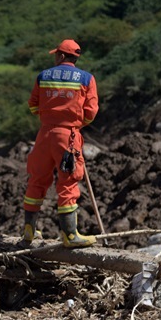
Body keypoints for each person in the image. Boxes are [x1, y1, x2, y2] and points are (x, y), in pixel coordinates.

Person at [22, 39, 99, 248]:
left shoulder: (43, 76)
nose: (55, 57)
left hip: (44, 134)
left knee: (37, 179)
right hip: (68, 137)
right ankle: (70, 235)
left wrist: (49, 118)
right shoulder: (86, 78)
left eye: (56, 54)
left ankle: (29, 230)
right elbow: (91, 112)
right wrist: (75, 124)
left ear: (62, 56)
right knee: (68, 182)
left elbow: (33, 105)